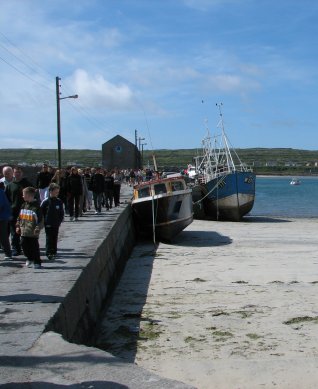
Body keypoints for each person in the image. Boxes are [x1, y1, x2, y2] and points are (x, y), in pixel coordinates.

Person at [5, 166, 33, 256]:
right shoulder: (9, 185)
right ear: (13, 173)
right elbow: (6, 200)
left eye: (19, 172)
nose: (17, 174)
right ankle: (16, 249)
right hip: (13, 212)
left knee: (26, 231)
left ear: (22, 173)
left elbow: (34, 197)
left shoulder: (27, 184)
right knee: (14, 232)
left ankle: (27, 249)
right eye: (16, 172)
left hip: (26, 211)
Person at [16, 187, 43, 269]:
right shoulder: (23, 205)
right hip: (24, 231)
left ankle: (37, 261)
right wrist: (18, 226)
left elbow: (40, 220)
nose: (22, 196)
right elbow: (19, 217)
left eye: (23, 195)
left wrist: (37, 228)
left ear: (29, 195)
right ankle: (30, 258)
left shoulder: (36, 207)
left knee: (34, 247)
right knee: (23, 245)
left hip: (32, 232)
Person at [40, 183, 64, 260]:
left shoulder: (59, 201)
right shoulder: (46, 201)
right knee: (49, 238)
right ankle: (49, 252)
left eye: (58, 192)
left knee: (55, 237)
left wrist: (60, 221)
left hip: (56, 223)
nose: (57, 193)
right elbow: (41, 212)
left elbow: (61, 212)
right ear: (51, 191)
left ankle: (54, 251)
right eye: (56, 192)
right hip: (48, 223)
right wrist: (43, 222)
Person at [0, 185, 12, 260]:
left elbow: (2, 204)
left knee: (3, 236)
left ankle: (8, 254)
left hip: (2, 217)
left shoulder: (0, 192)